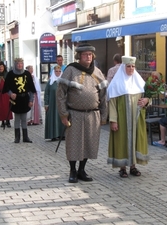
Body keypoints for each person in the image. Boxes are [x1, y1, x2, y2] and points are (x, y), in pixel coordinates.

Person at [56, 43, 108, 183]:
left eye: (90, 54)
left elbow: (103, 95)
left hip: (92, 115)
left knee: (88, 143)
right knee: (74, 143)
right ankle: (72, 171)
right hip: (75, 114)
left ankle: (82, 170)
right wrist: (63, 114)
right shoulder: (70, 70)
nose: (88, 57)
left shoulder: (97, 72)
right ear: (79, 56)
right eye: (85, 55)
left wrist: (104, 115)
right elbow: (61, 94)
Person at [107, 56, 150, 178]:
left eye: (133, 66)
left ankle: (133, 166)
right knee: (122, 141)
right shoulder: (116, 84)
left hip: (136, 119)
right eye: (128, 66)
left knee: (135, 141)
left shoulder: (139, 82)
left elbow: (147, 98)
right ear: (123, 67)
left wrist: (147, 100)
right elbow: (112, 103)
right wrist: (113, 120)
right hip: (122, 119)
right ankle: (122, 168)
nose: (131, 69)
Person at [3, 58, 36, 143]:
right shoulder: (10, 74)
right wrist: (11, 94)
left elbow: (32, 89)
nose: (19, 65)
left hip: (24, 98)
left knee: (24, 118)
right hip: (15, 99)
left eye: (21, 63)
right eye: (18, 64)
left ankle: (25, 137)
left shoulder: (27, 74)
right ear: (15, 64)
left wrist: (31, 100)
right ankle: (17, 137)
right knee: (17, 118)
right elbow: (6, 88)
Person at [44, 65, 64, 141]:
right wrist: (46, 103)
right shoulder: (50, 82)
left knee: (61, 118)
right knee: (53, 118)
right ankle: (53, 135)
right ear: (53, 72)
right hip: (52, 104)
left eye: (59, 71)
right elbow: (46, 93)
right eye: (56, 71)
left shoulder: (63, 82)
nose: (58, 73)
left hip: (62, 104)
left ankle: (62, 134)